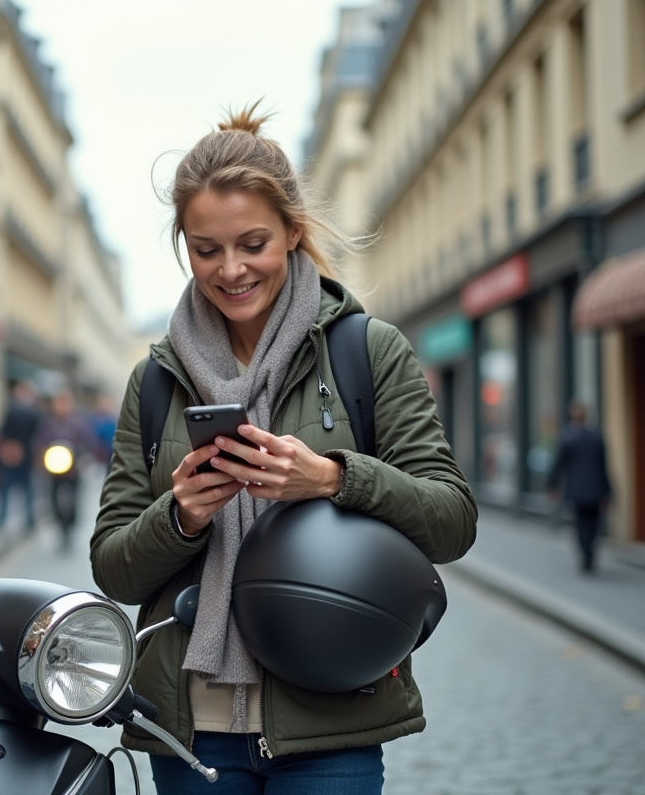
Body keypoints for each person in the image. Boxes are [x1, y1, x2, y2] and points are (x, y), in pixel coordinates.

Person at [91, 103, 477, 794]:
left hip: (332, 716)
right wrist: (181, 515)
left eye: (253, 243)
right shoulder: (153, 380)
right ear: (185, 244)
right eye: (206, 249)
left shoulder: (368, 351)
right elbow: (114, 571)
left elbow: (452, 520)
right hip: (189, 729)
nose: (231, 269)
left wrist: (333, 479)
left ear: (292, 233)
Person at [548, 399, 612, 572]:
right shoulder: (596, 436)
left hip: (577, 490)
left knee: (581, 524)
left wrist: (552, 485)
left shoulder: (568, 437)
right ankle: (589, 552)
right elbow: (603, 466)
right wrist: (608, 492)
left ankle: (586, 554)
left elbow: (559, 464)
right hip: (596, 489)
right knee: (593, 523)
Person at [36, 390, 95, 551]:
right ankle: (60, 527)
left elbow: (88, 442)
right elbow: (40, 442)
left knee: (74, 499)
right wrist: (41, 460)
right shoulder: (48, 423)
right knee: (54, 498)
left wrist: (83, 458)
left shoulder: (78, 424)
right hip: (54, 469)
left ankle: (71, 526)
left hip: (73, 469)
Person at [0, 380, 41, 531]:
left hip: (19, 456)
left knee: (12, 489)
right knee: (19, 489)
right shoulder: (29, 412)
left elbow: (4, 433)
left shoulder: (19, 412)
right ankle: (25, 519)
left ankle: (9, 518)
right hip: (18, 456)